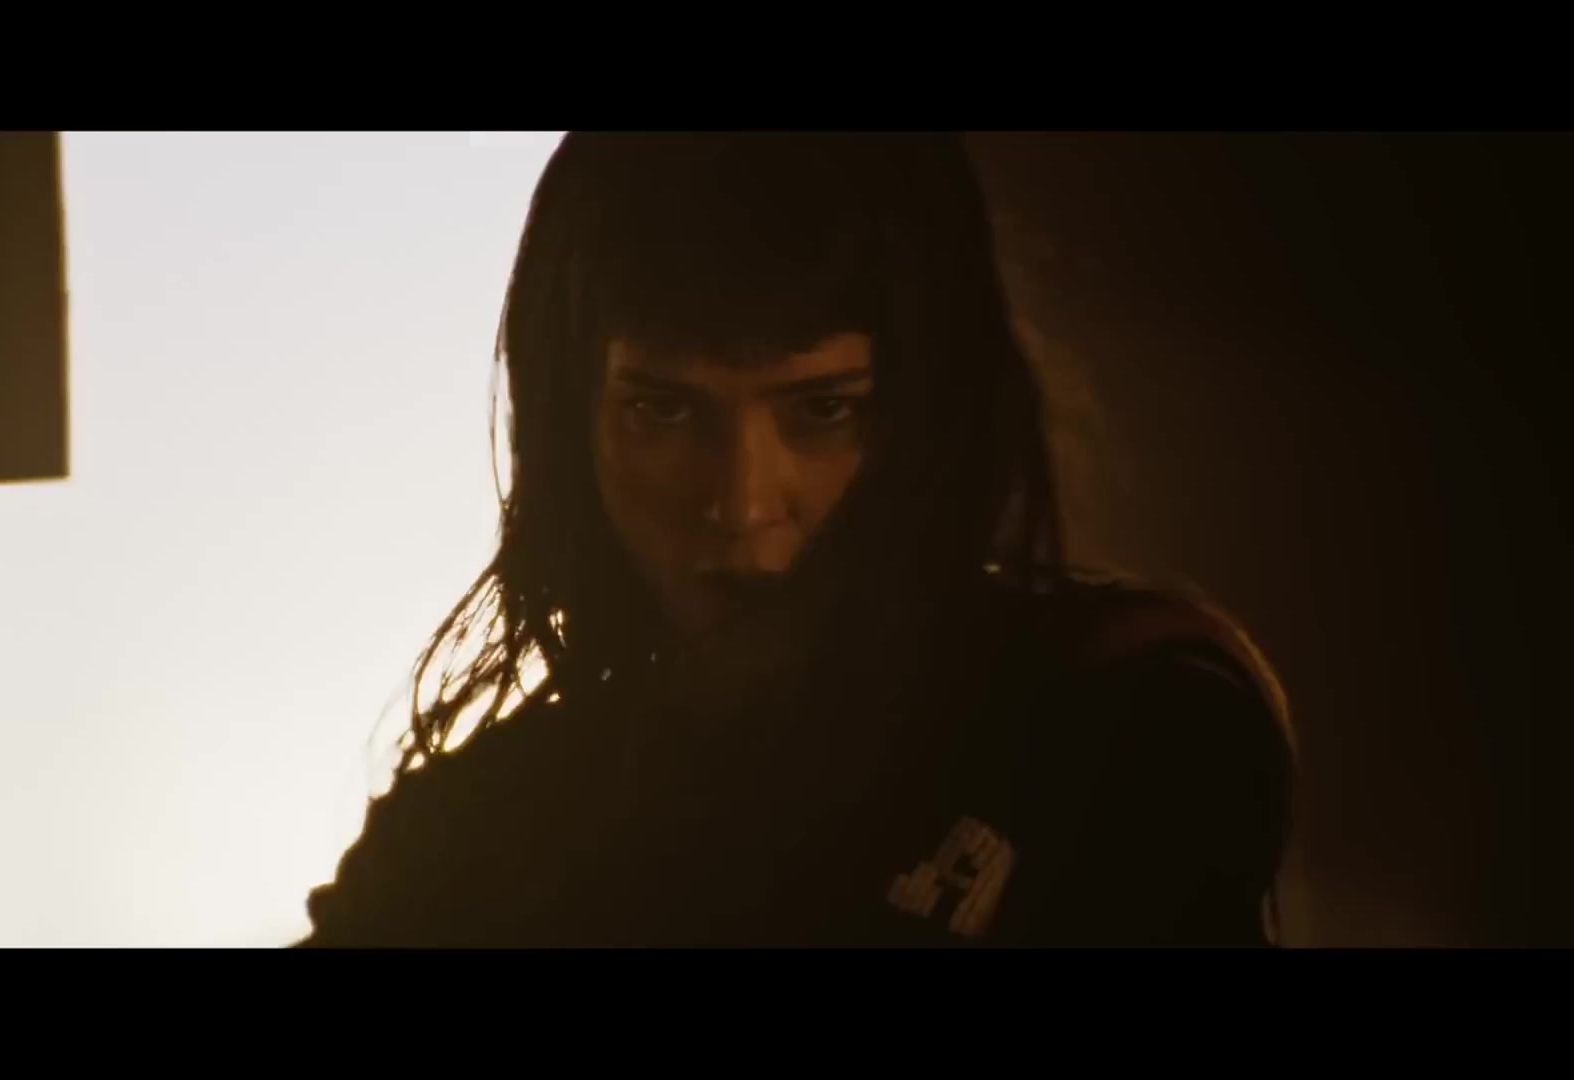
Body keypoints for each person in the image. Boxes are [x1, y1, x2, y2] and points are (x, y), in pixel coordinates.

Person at [296, 132, 1296, 947]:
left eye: (824, 411)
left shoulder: (1115, 724)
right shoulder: (468, 841)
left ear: (927, 413)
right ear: (572, 423)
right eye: (662, 410)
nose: (740, 507)